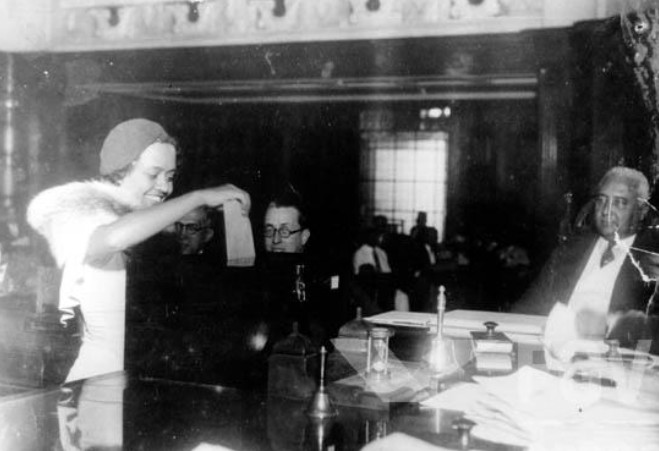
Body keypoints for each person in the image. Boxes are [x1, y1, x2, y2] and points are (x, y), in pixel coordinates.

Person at [26, 118, 250, 383]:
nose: (165, 187)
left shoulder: (146, 232)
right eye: (153, 174)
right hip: (97, 382)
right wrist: (198, 197)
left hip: (132, 381)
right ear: (120, 172)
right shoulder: (88, 221)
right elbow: (114, 237)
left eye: (170, 177)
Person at [513, 166, 659, 347]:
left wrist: (610, 325)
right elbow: (530, 306)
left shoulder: (652, 259)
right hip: (553, 349)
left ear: (642, 210)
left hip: (614, 356)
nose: (606, 211)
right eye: (601, 200)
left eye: (620, 202)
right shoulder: (572, 247)